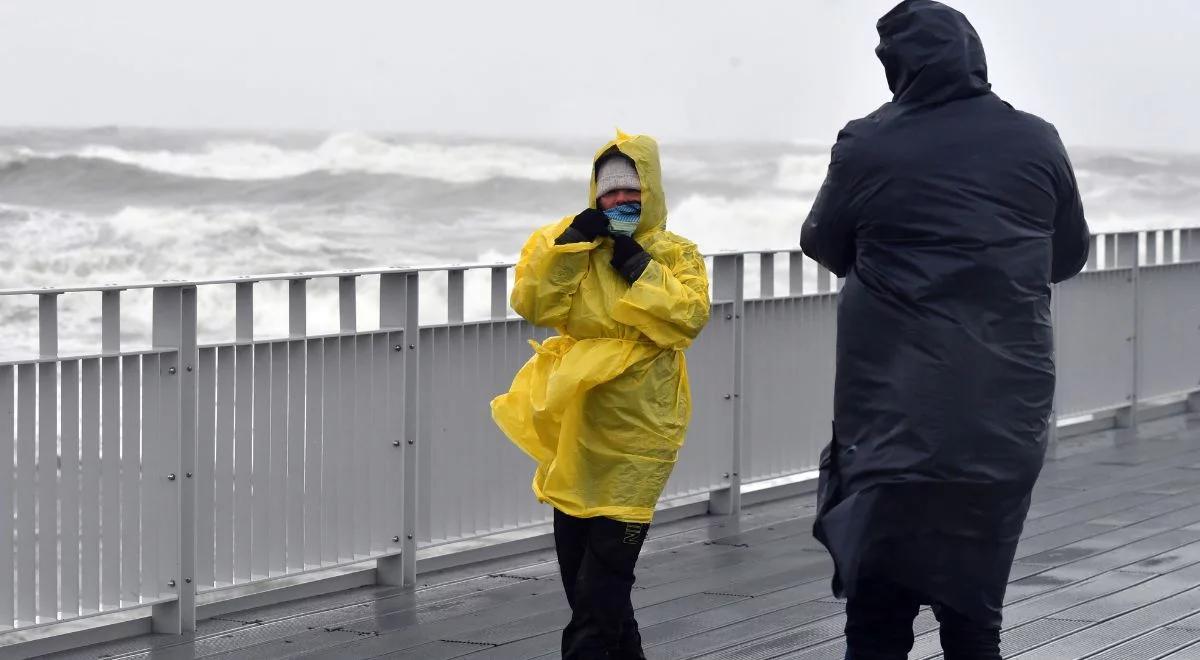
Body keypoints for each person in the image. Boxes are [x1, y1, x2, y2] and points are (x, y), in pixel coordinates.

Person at [800, 1, 1091, 658]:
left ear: (895, 67)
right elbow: (1067, 254)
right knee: (973, 613)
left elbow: (821, 240)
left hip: (892, 420)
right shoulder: (1037, 139)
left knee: (877, 614)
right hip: (1003, 419)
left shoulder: (869, 141)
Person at [492, 130, 710, 660]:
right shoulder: (566, 241)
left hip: (641, 429)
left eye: (632, 192)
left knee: (602, 584)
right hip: (576, 427)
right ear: (595, 195)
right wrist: (570, 246)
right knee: (583, 579)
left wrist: (636, 264)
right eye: (611, 193)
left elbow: (688, 319)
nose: (622, 202)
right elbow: (534, 304)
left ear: (651, 192)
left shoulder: (676, 254)